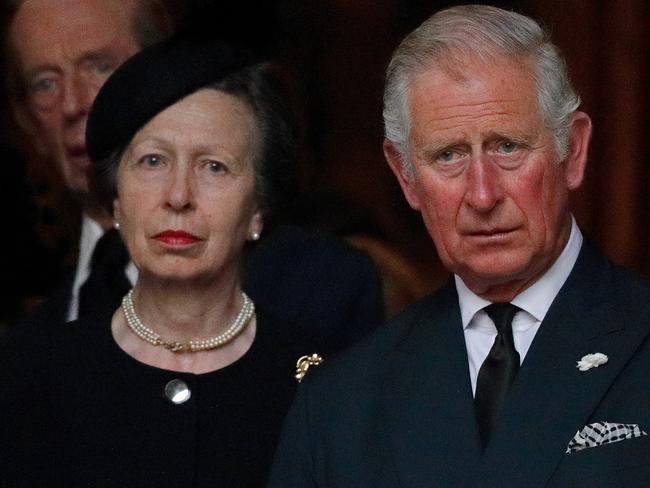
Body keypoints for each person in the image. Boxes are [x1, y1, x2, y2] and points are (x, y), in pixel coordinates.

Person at [268, 5, 650, 487]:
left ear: (571, 151)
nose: (483, 194)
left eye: (508, 147)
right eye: (448, 155)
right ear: (406, 175)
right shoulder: (339, 402)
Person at [0, 35, 337, 486]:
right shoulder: (30, 372)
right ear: (116, 200)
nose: (178, 196)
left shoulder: (325, 384)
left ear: (258, 208)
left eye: (214, 166)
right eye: (153, 161)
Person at [5, 0, 384, 351]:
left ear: (169, 73)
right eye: (45, 83)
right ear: (25, 121)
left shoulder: (320, 284)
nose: (74, 104)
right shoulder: (25, 348)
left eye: (101, 66)